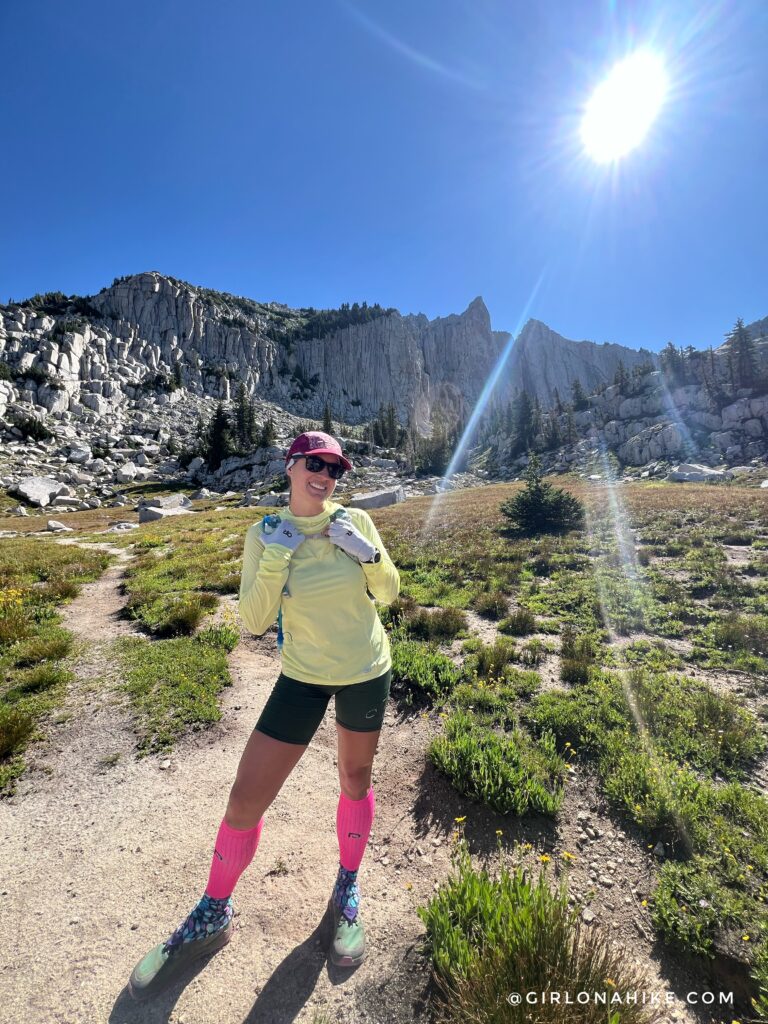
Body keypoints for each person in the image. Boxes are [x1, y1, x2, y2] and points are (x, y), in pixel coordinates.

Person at [128, 430, 400, 1000]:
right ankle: (212, 912)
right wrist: (279, 552)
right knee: (245, 800)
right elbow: (253, 619)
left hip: (364, 670)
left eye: (335, 467)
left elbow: (391, 592)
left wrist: (364, 551)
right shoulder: (263, 533)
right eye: (315, 463)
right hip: (301, 679)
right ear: (292, 466)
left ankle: (346, 890)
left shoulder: (356, 522)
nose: (326, 474)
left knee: (355, 779)